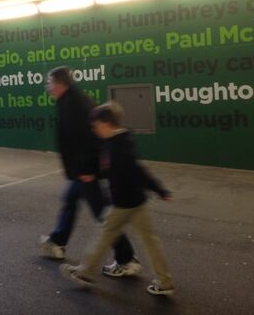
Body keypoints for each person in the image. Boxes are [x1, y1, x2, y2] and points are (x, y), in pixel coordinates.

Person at [60, 102, 174, 296]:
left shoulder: (116, 149)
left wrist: (157, 189)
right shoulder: (121, 140)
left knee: (104, 234)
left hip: (123, 204)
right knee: (150, 241)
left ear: (106, 123)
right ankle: (165, 282)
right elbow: (135, 169)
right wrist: (159, 190)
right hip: (138, 201)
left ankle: (85, 272)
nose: (94, 129)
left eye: (96, 125)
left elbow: (134, 171)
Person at [38, 66, 140, 277]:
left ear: (60, 83)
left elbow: (87, 139)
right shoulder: (71, 101)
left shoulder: (73, 105)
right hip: (81, 170)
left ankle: (127, 259)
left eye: (50, 83)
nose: (48, 88)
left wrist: (86, 169)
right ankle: (57, 242)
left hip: (85, 170)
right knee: (70, 201)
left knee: (103, 214)